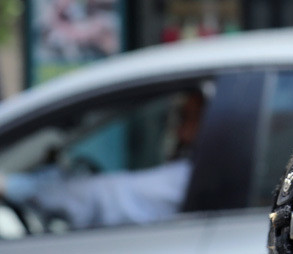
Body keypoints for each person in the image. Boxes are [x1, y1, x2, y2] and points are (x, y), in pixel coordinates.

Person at [0, 88, 205, 231]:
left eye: (190, 118)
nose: (181, 133)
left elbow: (105, 197)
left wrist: (14, 186)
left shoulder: (195, 178)